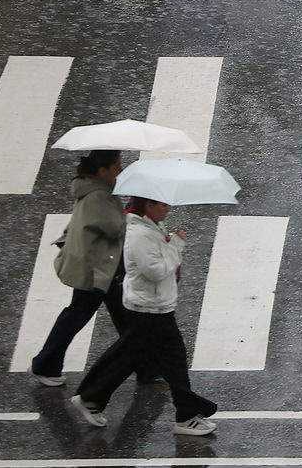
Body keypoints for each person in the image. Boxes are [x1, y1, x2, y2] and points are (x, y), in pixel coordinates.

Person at [69, 197, 218, 436]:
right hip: (151, 309)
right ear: (147, 206)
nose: (167, 209)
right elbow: (156, 271)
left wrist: (168, 242)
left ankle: (90, 397)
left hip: (151, 305)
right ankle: (187, 416)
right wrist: (176, 245)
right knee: (174, 361)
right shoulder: (141, 234)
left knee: (129, 354)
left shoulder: (150, 228)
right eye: (162, 205)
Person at [29, 150, 158, 387]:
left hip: (102, 265)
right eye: (116, 166)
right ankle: (45, 365)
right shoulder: (98, 195)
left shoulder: (94, 189)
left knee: (122, 318)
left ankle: (146, 368)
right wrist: (131, 211)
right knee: (80, 316)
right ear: (102, 170)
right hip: (97, 269)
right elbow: (115, 228)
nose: (120, 170)